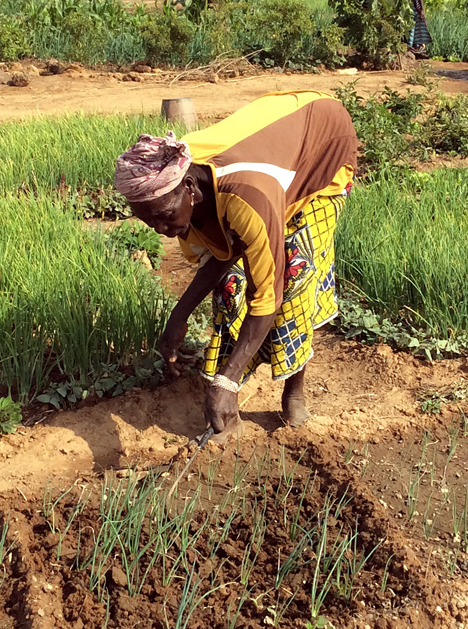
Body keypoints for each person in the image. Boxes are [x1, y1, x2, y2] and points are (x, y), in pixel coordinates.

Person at [114, 90, 359, 439]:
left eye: (165, 219)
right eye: (150, 224)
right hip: (271, 151)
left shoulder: (248, 193)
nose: (163, 232)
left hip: (321, 147)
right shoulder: (175, 182)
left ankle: (293, 392)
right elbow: (219, 258)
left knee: (294, 277)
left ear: (189, 188)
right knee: (230, 287)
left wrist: (227, 382)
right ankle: (227, 398)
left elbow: (267, 296)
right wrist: (178, 317)